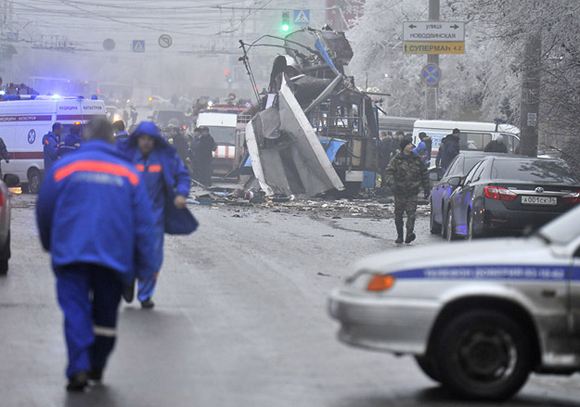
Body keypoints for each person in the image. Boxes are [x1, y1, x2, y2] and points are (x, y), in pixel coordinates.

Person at [36, 118, 157, 392]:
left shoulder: (65, 167)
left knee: (75, 310)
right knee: (104, 316)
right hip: (112, 257)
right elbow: (144, 223)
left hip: (71, 254)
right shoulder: (129, 174)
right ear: (112, 139)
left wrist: (49, 242)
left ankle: (78, 367)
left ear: (86, 138)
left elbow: (44, 207)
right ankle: (97, 364)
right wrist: (144, 263)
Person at [118, 121, 192, 309]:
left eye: (150, 139)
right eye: (143, 139)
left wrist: (181, 194)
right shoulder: (126, 157)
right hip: (129, 216)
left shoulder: (165, 158)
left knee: (152, 259)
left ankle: (145, 296)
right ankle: (127, 280)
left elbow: (182, 175)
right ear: (137, 139)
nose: (146, 143)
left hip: (154, 217)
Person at [385, 137, 430, 244]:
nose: (411, 146)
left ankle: (409, 234)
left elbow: (424, 173)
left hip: (412, 191)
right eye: (409, 144)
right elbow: (389, 172)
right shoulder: (396, 159)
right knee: (398, 215)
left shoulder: (417, 159)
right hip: (400, 191)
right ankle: (400, 235)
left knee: (411, 214)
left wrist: (426, 187)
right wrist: (392, 184)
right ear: (404, 147)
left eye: (411, 144)